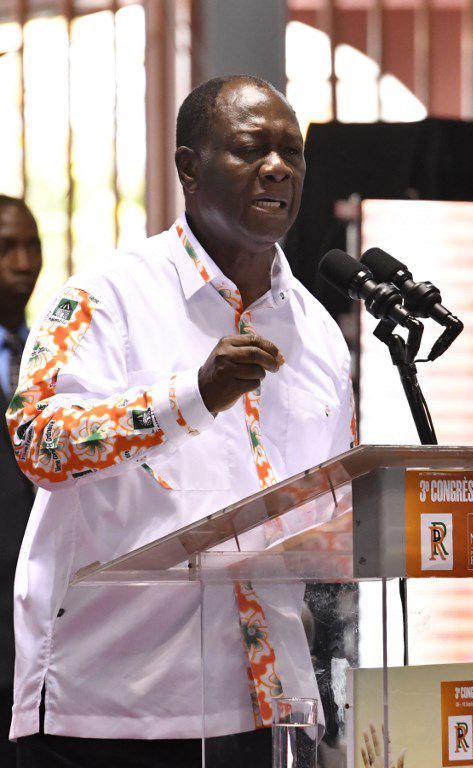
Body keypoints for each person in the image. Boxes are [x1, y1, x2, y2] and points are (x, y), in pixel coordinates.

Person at [6, 75, 356, 768]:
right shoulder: (105, 298)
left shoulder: (318, 333)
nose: (278, 167)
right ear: (189, 168)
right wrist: (193, 394)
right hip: (112, 710)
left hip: (271, 714)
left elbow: (329, 514)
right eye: (252, 147)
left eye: (291, 152)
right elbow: (39, 444)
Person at [0, 195, 41, 766]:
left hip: (38, 608)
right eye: (6, 247)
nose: (24, 261)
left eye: (33, 246)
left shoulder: (53, 357)